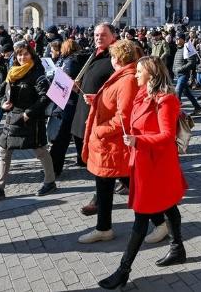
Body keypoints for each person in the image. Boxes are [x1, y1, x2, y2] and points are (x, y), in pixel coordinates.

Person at [97, 56, 187, 289]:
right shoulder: (142, 95)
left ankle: (123, 270)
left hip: (156, 164)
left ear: (152, 74)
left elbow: (167, 136)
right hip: (144, 162)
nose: (135, 75)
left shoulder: (165, 100)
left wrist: (138, 140)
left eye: (139, 71)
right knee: (168, 206)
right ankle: (178, 248)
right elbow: (128, 117)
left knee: (141, 217)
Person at [78, 39, 141, 244]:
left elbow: (124, 115)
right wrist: (96, 99)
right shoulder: (121, 76)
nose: (111, 59)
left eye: (113, 56)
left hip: (113, 143)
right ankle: (103, 228)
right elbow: (114, 102)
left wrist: (100, 131)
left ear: (120, 58)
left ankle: (162, 220)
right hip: (107, 145)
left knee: (135, 187)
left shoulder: (128, 79)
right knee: (105, 188)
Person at [0, 44, 56, 201]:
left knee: (40, 150)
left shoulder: (37, 73)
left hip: (30, 119)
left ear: (31, 55)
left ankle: (50, 181)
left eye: (25, 54)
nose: (22, 57)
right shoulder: (12, 72)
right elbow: (0, 94)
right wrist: (1, 104)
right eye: (19, 55)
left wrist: (30, 113)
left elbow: (46, 96)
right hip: (12, 118)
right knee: (3, 151)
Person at [72, 23, 117, 216]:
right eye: (96, 34)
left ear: (113, 36)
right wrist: (78, 83)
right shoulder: (94, 53)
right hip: (86, 112)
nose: (98, 37)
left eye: (103, 35)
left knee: (103, 160)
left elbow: (118, 87)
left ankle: (99, 200)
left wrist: (99, 99)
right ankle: (127, 184)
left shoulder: (116, 57)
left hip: (103, 115)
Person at [46, 39, 82, 176]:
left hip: (67, 103)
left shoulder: (70, 62)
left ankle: (54, 168)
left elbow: (64, 81)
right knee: (76, 134)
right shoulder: (71, 60)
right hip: (71, 102)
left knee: (61, 137)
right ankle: (82, 159)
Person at [172, 34, 201, 115]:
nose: (176, 40)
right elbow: (176, 61)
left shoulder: (187, 48)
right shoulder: (178, 49)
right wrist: (174, 69)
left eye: (178, 38)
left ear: (182, 40)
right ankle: (197, 107)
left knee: (177, 92)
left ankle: (175, 112)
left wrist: (180, 69)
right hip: (178, 74)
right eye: (176, 38)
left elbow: (191, 62)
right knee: (187, 93)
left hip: (183, 74)